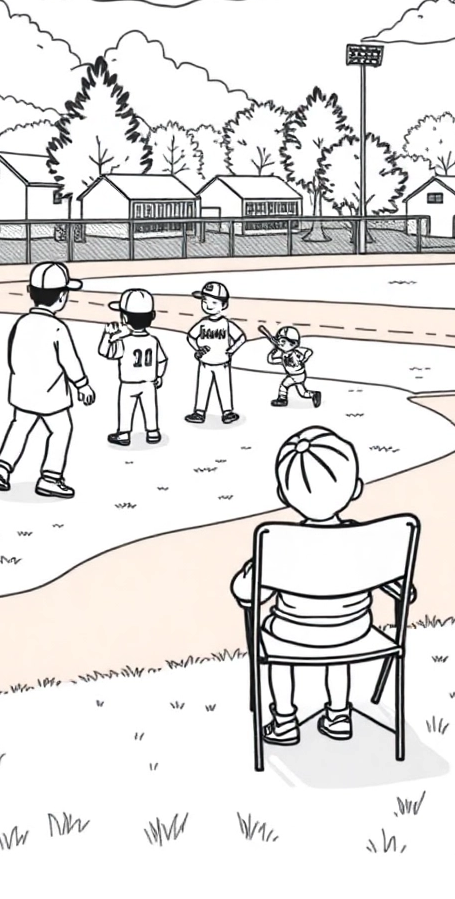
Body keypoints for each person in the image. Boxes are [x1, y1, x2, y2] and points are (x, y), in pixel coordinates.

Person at [230, 426, 368, 744]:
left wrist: (249, 573)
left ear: (283, 495)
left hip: (293, 631)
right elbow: (394, 582)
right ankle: (339, 715)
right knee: (338, 653)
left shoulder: (280, 544)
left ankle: (284, 721)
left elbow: (247, 593)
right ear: (356, 488)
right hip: (353, 628)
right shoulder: (363, 538)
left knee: (276, 652)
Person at [0, 262, 95, 499]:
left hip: (23, 390)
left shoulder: (22, 323)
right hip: (51, 395)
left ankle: (1, 468)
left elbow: (11, 355)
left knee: (19, 426)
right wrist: (82, 384)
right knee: (61, 429)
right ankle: (50, 478)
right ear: (62, 297)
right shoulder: (57, 327)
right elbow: (70, 361)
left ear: (31, 292)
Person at [98, 288, 167, 446]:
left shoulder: (124, 341)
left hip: (129, 383)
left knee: (126, 408)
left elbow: (104, 352)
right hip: (149, 382)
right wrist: (159, 376)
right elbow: (162, 360)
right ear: (152, 316)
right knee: (150, 407)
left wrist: (107, 335)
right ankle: (153, 432)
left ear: (124, 318)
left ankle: (124, 434)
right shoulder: (153, 340)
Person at [184, 281, 246, 425]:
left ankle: (227, 412)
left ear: (224, 305)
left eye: (214, 302)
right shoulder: (203, 323)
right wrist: (197, 349)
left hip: (222, 363)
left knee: (224, 387)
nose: (208, 305)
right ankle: (199, 412)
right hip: (205, 363)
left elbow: (241, 337)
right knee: (202, 387)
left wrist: (231, 350)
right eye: (205, 301)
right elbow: (191, 337)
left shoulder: (226, 323)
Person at [267, 325, 322, 408]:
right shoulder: (284, 356)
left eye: (283, 342)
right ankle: (314, 394)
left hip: (297, 375)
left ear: (293, 343)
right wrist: (273, 351)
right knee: (302, 393)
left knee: (284, 385)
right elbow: (271, 360)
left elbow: (309, 352)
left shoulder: (295, 354)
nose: (280, 344)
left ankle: (282, 399)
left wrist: (304, 358)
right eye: (279, 341)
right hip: (297, 375)